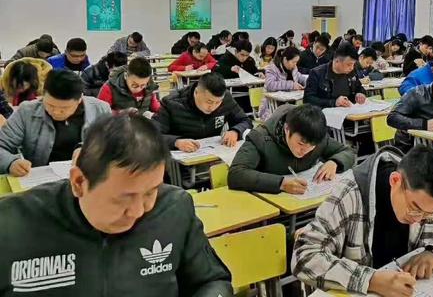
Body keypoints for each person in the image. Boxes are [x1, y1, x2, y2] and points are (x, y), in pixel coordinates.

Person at [0, 113, 232, 296]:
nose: (138, 211)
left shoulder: (174, 208)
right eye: (123, 197)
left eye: (151, 192)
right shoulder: (11, 224)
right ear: (79, 182)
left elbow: (213, 281)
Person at [292, 146, 433, 296]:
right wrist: (371, 280)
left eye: (428, 215)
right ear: (395, 181)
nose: (418, 219)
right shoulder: (349, 193)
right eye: (414, 207)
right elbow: (304, 256)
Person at [0, 70, 111, 176]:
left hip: (86, 176)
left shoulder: (100, 109)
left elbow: (112, 144)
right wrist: (10, 162)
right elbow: (2, 144)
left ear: (80, 100)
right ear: (43, 95)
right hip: (40, 178)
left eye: (64, 108)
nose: (56, 112)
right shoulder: (26, 112)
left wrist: (90, 150)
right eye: (50, 105)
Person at [228, 104, 355, 193]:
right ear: (287, 129)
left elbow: (348, 151)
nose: (305, 151)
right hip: (270, 207)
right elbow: (236, 173)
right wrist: (281, 183)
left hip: (306, 204)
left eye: (312, 147)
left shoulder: (317, 137)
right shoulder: (261, 138)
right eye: (301, 144)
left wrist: (334, 162)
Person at [153, 73, 252, 151]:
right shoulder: (171, 103)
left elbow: (245, 120)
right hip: (180, 160)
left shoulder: (226, 99)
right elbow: (151, 135)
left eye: (218, 102)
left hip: (213, 155)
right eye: (209, 101)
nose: (213, 107)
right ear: (196, 92)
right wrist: (176, 142)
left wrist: (236, 131)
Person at [304, 42, 366, 109]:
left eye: (353, 64)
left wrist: (360, 93)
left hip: (350, 111)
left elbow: (359, 87)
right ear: (337, 61)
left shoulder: (352, 72)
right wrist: (334, 102)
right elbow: (308, 99)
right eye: (349, 64)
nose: (352, 68)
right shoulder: (316, 73)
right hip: (326, 112)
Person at [258, 47, 308, 121]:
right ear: (285, 59)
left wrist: (307, 82)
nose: (295, 64)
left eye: (296, 62)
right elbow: (270, 85)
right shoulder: (272, 68)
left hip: (289, 105)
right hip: (272, 107)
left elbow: (299, 77)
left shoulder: (293, 68)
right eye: (293, 62)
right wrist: (291, 85)